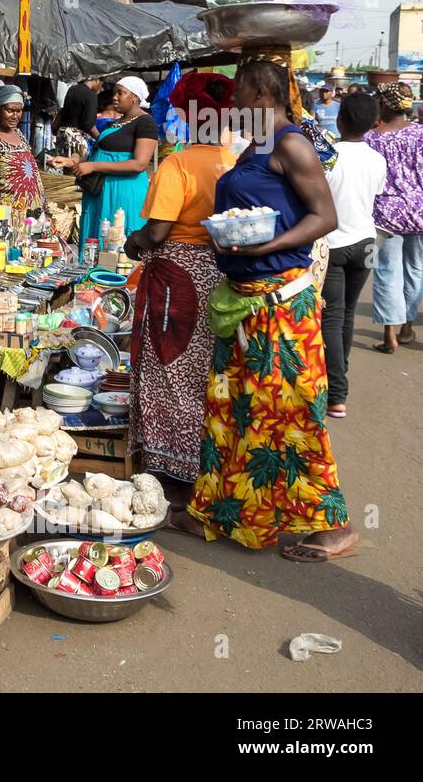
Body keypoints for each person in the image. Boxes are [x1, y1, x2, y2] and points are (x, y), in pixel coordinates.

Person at [182, 58, 355, 562]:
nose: (231, 102)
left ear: (261, 93)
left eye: (238, 92)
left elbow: (326, 217)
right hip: (244, 301)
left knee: (294, 412)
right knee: (235, 409)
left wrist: (266, 246)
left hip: (282, 304)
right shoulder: (255, 145)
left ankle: (334, 525)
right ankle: (223, 511)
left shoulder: (292, 144)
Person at [123, 73, 237, 505]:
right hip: (217, 274)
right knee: (204, 371)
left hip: (177, 276)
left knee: (168, 370)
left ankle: (172, 469)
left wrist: (134, 242)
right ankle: (204, 462)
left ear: (188, 118)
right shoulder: (231, 161)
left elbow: (156, 233)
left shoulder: (179, 164)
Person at [320, 92, 386, 416]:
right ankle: (339, 386)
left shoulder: (328, 156)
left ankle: (336, 393)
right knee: (345, 314)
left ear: (339, 118)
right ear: (373, 123)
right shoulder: (377, 159)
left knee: (331, 316)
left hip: (334, 244)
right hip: (368, 243)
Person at [48, 76, 157, 245]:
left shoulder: (145, 123)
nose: (115, 97)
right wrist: (71, 162)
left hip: (122, 191)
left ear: (135, 97)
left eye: (121, 93)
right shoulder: (117, 122)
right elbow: (100, 151)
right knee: (96, 242)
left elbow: (139, 164)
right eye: (115, 93)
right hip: (100, 189)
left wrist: (94, 166)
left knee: (116, 243)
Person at [366, 82, 423, 353]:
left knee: (387, 271)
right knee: (415, 269)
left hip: (384, 214)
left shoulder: (372, 138)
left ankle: (389, 334)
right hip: (419, 212)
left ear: (384, 105)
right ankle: (407, 328)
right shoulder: (420, 135)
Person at [0, 84, 44, 210]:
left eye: (19, 111)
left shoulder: (19, 134)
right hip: (6, 215)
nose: (15, 116)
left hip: (31, 213)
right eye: (10, 111)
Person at [54, 76, 102, 160]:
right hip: (75, 139)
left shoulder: (72, 89)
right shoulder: (91, 95)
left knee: (60, 166)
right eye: (101, 84)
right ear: (97, 80)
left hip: (62, 134)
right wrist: (101, 139)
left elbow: (63, 110)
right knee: (75, 170)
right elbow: (88, 124)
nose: (100, 88)